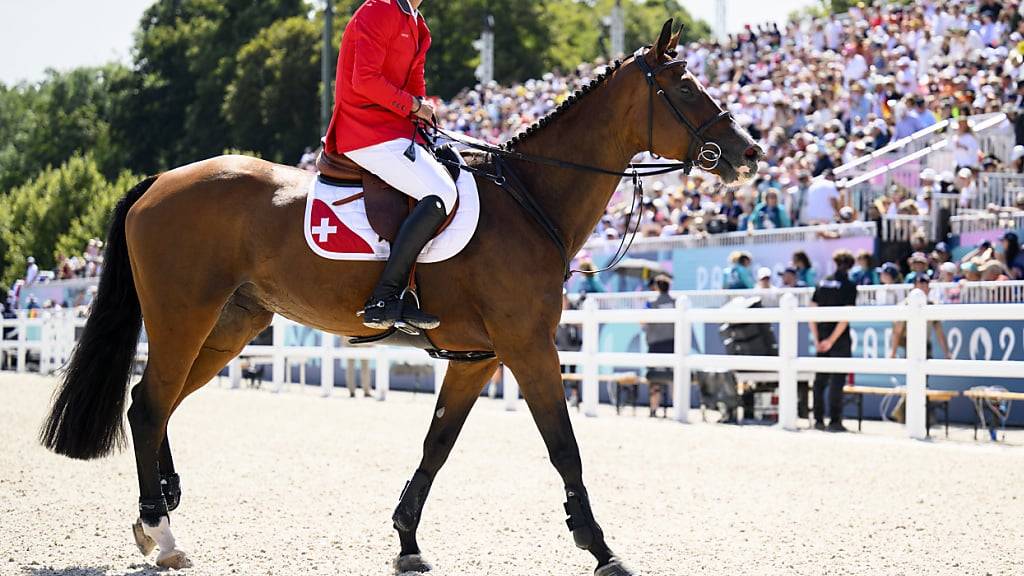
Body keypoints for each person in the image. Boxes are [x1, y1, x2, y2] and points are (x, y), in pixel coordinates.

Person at [324, 0, 454, 332]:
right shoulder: (378, 9)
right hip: (364, 129)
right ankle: (384, 297)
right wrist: (412, 105)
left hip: (395, 129)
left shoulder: (417, 24)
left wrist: (421, 109)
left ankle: (413, 289)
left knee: (453, 169)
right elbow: (364, 79)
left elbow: (415, 86)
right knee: (440, 192)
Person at [809, 250, 857, 432]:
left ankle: (818, 419)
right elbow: (845, 317)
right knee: (837, 380)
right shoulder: (849, 285)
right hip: (839, 339)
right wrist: (831, 340)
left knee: (820, 381)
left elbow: (811, 312)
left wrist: (818, 339)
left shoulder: (822, 283)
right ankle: (835, 420)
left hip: (821, 336)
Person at [642, 275, 675, 417]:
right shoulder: (676, 302)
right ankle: (675, 406)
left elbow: (644, 323)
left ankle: (653, 408)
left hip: (655, 343)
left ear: (656, 287)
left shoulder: (651, 303)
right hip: (672, 343)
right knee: (673, 376)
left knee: (654, 378)